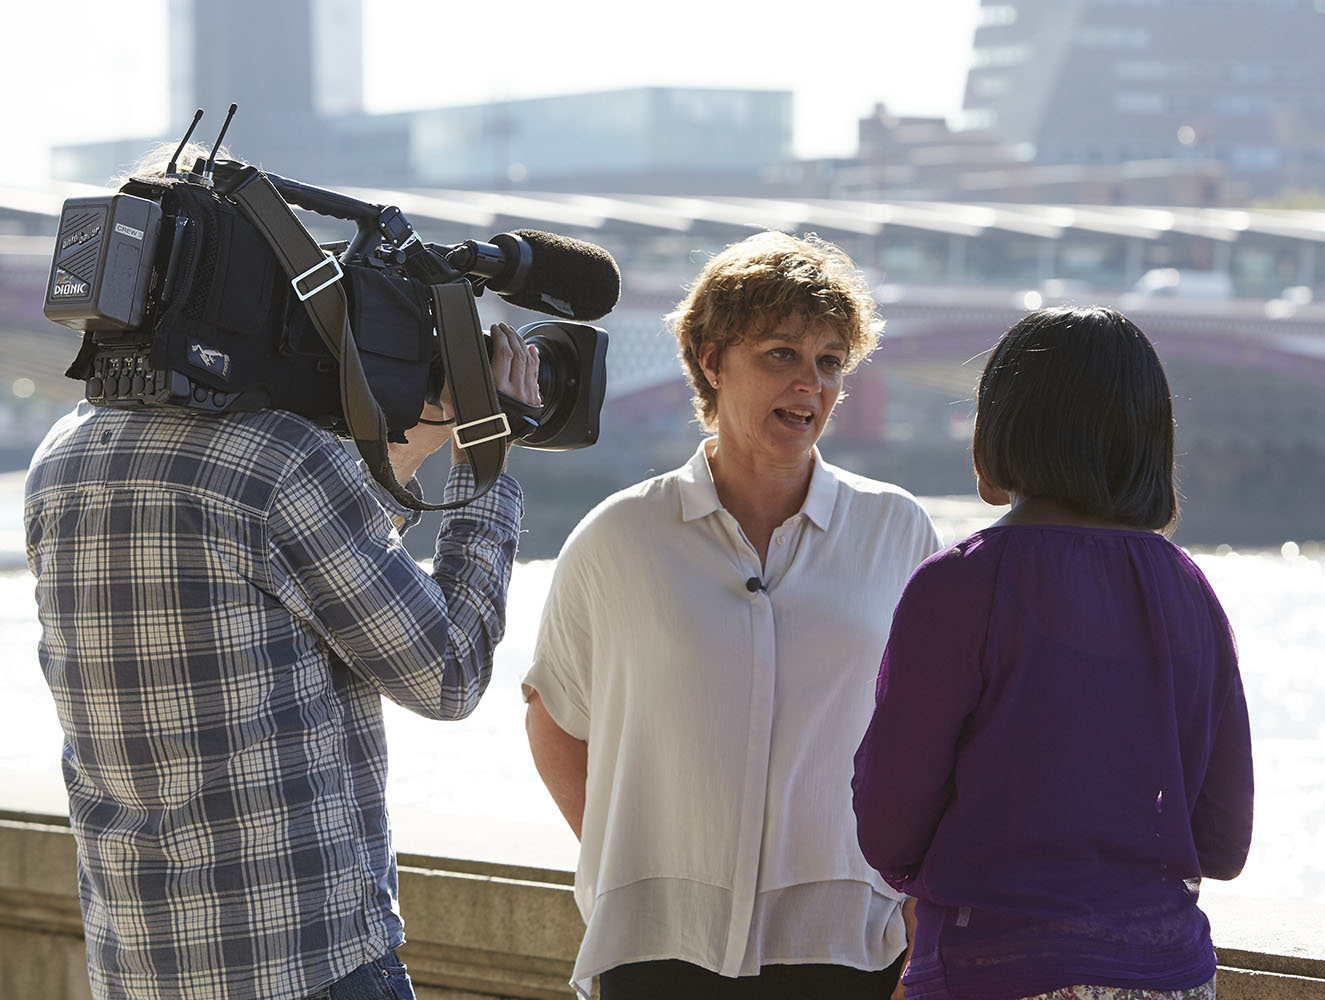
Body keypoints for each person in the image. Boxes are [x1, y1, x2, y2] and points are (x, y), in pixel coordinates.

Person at [25, 142, 542, 1000]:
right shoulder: (280, 464)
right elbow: (447, 672)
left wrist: (403, 453)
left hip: (141, 966)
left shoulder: (64, 460)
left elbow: (277, 586)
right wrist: (490, 460)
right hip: (307, 966)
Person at [522, 231, 942, 999]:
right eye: (780, 353)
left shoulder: (898, 530)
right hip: (658, 950)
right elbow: (554, 716)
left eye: (829, 361)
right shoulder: (618, 537)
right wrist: (637, 863)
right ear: (712, 361)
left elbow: (936, 738)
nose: (810, 384)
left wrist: (917, 906)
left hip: (845, 944)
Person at [851, 306, 1254, 1000]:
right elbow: (1222, 841)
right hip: (1173, 974)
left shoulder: (960, 584)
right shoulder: (1189, 590)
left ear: (1000, 430)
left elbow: (888, 830)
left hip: (996, 971)